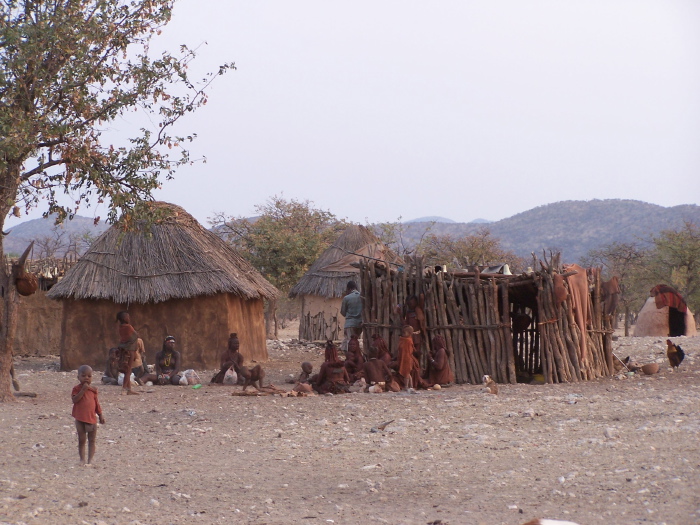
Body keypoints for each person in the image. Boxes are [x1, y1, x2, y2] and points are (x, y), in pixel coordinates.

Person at [71, 365, 105, 465]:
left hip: (91, 418)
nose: (86, 378)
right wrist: (83, 390)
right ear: (78, 377)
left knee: (92, 440)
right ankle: (82, 459)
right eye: (83, 376)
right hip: (80, 418)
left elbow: (96, 403)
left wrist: (101, 415)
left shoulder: (93, 390)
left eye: (89, 376)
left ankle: (90, 460)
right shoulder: (76, 389)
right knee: (81, 440)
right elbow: (75, 400)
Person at [392, 325, 428, 390]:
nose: (403, 334)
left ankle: (406, 386)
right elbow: (400, 350)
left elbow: (409, 351)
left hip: (407, 359)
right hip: (403, 359)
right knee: (407, 374)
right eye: (402, 332)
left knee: (406, 373)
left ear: (409, 333)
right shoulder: (402, 340)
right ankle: (411, 386)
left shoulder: (408, 341)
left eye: (404, 333)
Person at [116, 311, 139, 395]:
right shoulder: (128, 327)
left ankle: (129, 389)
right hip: (130, 350)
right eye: (127, 317)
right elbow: (135, 336)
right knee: (128, 370)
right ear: (124, 318)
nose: (129, 318)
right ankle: (124, 388)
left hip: (124, 349)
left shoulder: (121, 327)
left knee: (127, 369)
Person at [340, 281, 363, 354]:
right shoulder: (361, 297)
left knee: (350, 342)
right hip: (360, 323)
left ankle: (350, 357)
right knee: (355, 341)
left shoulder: (346, 298)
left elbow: (343, 312)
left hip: (350, 323)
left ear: (349, 288)